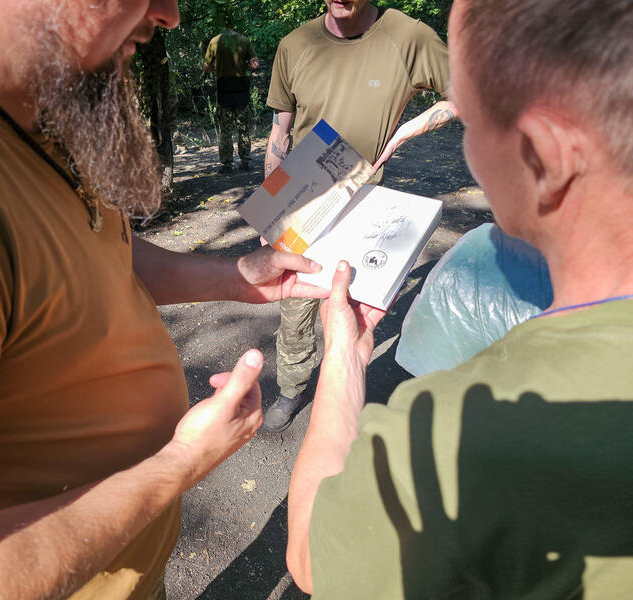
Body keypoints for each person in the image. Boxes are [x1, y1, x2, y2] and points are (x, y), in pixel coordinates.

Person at [0, 1, 328, 598]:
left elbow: (91, 247)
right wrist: (180, 464)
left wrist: (235, 277)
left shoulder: (22, 92)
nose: (169, 14)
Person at [286, 0, 633, 597]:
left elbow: (312, 554)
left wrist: (343, 353)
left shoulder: (462, 436)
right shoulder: (295, 45)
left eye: (471, 123)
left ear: (542, 155)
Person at [262, 0, 458, 432]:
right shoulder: (295, 44)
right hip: (301, 196)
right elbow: (281, 131)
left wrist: (404, 132)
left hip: (366, 201)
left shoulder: (407, 36)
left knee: (348, 308)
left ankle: (339, 399)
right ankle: (292, 387)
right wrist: (269, 210)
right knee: (295, 302)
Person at [204, 28, 259, 173]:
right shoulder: (244, 40)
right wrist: (244, 65)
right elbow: (255, 64)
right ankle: (245, 160)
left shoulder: (215, 41)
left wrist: (218, 68)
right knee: (243, 128)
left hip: (224, 88)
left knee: (225, 130)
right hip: (241, 88)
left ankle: (227, 164)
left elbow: (206, 67)